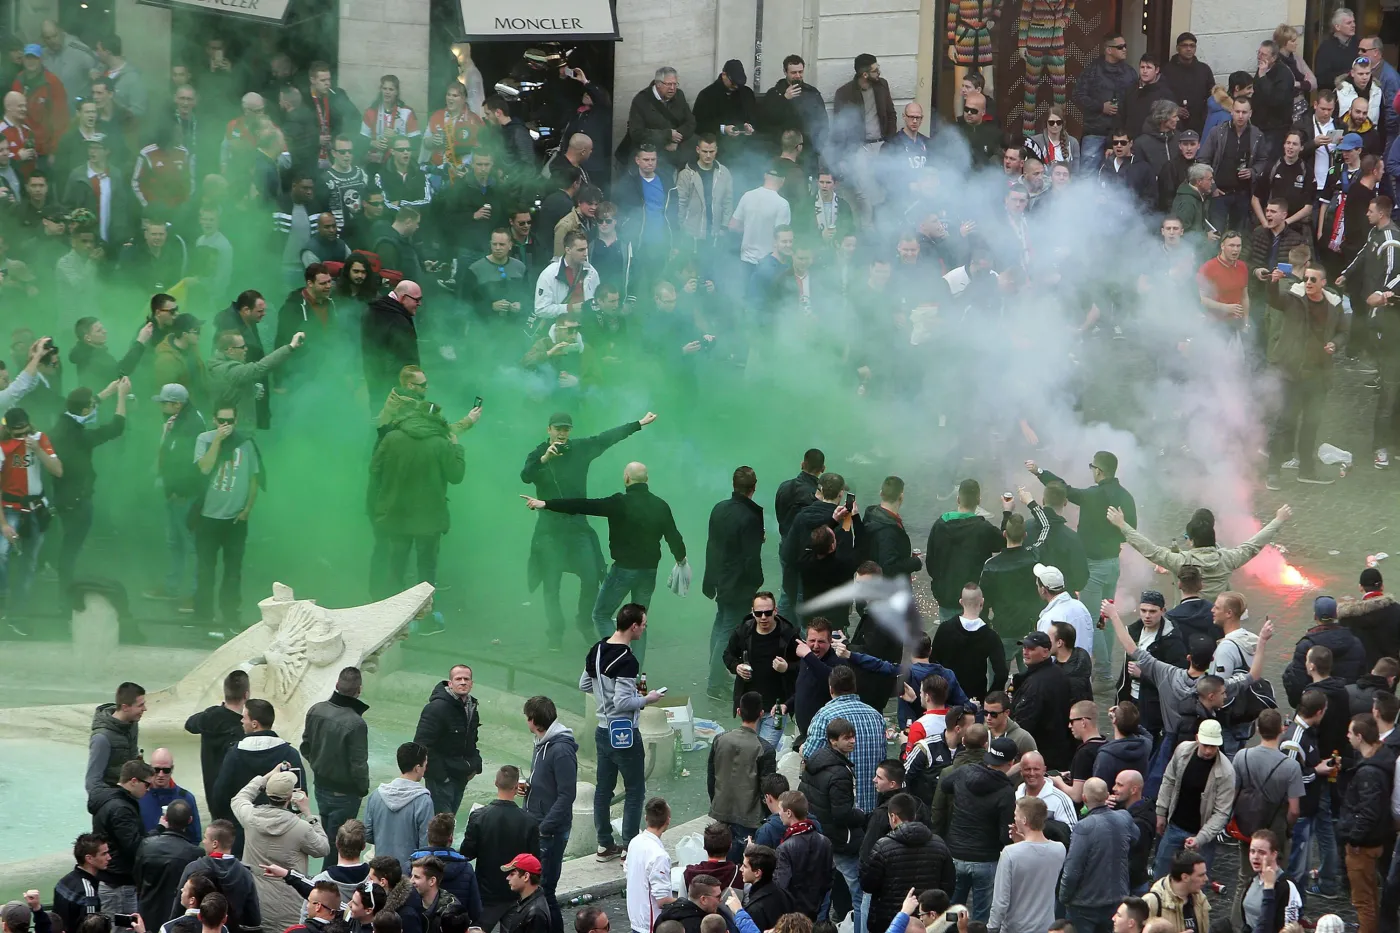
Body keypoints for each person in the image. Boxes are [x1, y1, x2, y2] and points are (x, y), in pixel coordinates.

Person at [520, 411, 657, 648]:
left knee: (591, 576)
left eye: (566, 429)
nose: (562, 433)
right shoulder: (538, 454)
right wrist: (544, 459)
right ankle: (555, 633)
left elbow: (606, 438)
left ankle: (584, 621)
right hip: (550, 530)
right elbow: (525, 476)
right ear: (549, 430)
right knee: (551, 583)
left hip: (577, 526)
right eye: (558, 429)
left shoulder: (580, 449)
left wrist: (638, 424)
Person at [522, 461, 685, 651]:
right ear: (646, 480)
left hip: (623, 570)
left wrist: (546, 504)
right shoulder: (660, 505)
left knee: (601, 615)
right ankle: (635, 674)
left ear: (626, 478)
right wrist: (681, 560)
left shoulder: (618, 503)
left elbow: (583, 505)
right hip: (649, 571)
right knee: (639, 622)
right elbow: (673, 536)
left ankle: (618, 658)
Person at [1028, 454, 1136, 668]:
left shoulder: (1092, 495)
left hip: (1095, 568)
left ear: (1099, 471)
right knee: (1108, 615)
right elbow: (1129, 531)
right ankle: (1106, 668)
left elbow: (1064, 489)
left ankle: (1104, 671)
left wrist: (1040, 472)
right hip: (1113, 564)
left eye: (1092, 467)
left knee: (1093, 620)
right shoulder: (1126, 497)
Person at [579, 604, 664, 861]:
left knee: (603, 789)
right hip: (624, 734)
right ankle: (629, 846)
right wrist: (648, 698)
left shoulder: (598, 648)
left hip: (602, 730)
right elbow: (623, 703)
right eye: (644, 624)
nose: (644, 628)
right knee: (635, 789)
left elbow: (584, 683)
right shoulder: (627, 660)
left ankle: (604, 844)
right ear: (634, 626)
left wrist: (604, 694)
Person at [1228, 712, 1304, 926]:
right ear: (1282, 729)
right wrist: (1287, 828)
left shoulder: (1242, 756)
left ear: (1258, 729)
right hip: (1276, 829)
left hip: (1247, 827)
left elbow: (1232, 794)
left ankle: (1238, 926)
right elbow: (1295, 809)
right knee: (1276, 879)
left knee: (1244, 879)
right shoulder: (1290, 767)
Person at [233, 766, 328, 933]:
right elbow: (323, 849)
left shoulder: (250, 817)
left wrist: (266, 777)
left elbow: (239, 797)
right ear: (291, 797)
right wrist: (308, 813)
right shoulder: (301, 828)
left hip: (256, 902)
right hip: (289, 906)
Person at [933, 735, 1018, 922]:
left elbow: (946, 785)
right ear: (1011, 762)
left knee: (951, 913)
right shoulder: (1006, 792)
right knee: (981, 915)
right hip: (986, 860)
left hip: (955, 853)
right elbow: (1005, 836)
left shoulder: (964, 772)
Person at [702, 466, 765, 696]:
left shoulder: (719, 508)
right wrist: (756, 582)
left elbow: (713, 544)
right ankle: (715, 682)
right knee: (728, 630)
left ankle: (715, 673)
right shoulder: (750, 517)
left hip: (720, 577)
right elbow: (750, 556)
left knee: (721, 624)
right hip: (738, 582)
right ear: (754, 487)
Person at [300, 667, 369, 870]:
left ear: (337, 685)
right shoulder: (356, 723)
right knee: (340, 845)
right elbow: (358, 763)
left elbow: (305, 746)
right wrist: (362, 789)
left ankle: (323, 882)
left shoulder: (316, 709)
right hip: (345, 793)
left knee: (326, 839)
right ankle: (329, 885)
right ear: (359, 689)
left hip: (321, 786)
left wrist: (318, 764)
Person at [519, 695, 575, 933]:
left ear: (533, 720)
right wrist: (530, 787)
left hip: (549, 831)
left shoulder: (560, 750)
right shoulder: (541, 741)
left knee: (547, 892)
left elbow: (566, 795)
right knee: (539, 890)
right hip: (539, 824)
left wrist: (544, 828)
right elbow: (548, 783)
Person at [861, 791, 954, 933]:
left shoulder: (882, 846)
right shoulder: (939, 844)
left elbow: (868, 884)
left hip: (889, 919)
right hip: (927, 919)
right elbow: (948, 885)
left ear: (893, 817)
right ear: (914, 816)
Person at [1153, 721, 1235, 877]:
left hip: (1202, 835)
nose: (1208, 750)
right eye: (1205, 745)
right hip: (1175, 827)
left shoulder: (1226, 772)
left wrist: (1200, 838)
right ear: (1197, 738)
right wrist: (1161, 812)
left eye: (1213, 746)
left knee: (1197, 887)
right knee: (1161, 876)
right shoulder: (1183, 751)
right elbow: (1169, 780)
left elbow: (1222, 813)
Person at [1059, 778, 1138, 933]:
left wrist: (1064, 897)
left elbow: (1072, 869)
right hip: (1116, 899)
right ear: (1107, 795)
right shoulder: (1124, 817)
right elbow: (1135, 838)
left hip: (1085, 905)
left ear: (1084, 798)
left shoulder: (1084, 827)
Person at [1339, 713, 1394, 933]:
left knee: (1363, 901)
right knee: (1370, 894)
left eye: (1350, 732)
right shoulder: (1382, 757)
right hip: (1376, 839)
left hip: (1363, 846)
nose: (1347, 736)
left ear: (1360, 737)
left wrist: (1354, 838)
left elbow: (1368, 812)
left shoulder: (1369, 773)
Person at [723, 592, 798, 748]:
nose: (763, 617)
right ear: (752, 612)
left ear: (775, 611)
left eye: (768, 613)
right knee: (750, 752)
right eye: (758, 613)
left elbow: (804, 665)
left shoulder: (788, 635)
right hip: (750, 709)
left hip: (776, 708)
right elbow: (727, 655)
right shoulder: (743, 632)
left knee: (764, 752)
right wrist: (737, 667)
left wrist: (787, 668)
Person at [708, 690, 777, 859]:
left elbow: (711, 777)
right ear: (761, 714)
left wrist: (716, 801)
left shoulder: (720, 739)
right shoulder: (764, 748)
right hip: (749, 817)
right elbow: (766, 789)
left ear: (739, 711)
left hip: (721, 810)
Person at [925, 478, 1004, 621]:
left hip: (946, 597)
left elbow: (930, 562)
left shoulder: (940, 525)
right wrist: (1007, 513)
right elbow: (1006, 543)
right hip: (974, 599)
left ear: (957, 499)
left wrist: (939, 585)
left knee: (949, 639)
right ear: (979, 501)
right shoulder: (984, 529)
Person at [1115, 593, 1186, 745]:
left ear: (1163, 611)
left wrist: (1144, 675)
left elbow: (1176, 678)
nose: (1147, 616)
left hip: (1154, 706)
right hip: (1131, 699)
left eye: (1152, 611)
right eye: (1143, 610)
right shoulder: (1134, 631)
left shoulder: (1171, 640)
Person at [412, 664, 481, 818]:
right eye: (458, 679)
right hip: (441, 779)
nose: (463, 682)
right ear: (450, 683)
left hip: (461, 775)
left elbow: (472, 741)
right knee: (440, 826)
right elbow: (421, 745)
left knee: (448, 824)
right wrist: (442, 776)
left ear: (471, 683)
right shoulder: (436, 708)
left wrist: (476, 765)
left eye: (466, 679)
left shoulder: (471, 707)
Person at [88, 758, 155, 917]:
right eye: (147, 785)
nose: (149, 790)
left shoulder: (108, 800)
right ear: (133, 781)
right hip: (118, 883)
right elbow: (133, 846)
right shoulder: (121, 808)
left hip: (110, 879)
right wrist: (157, 833)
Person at [1282, 595, 1368, 704]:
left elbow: (1298, 684)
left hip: (1315, 707)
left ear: (1315, 617)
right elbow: (1362, 675)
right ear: (1336, 615)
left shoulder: (1306, 645)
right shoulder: (1355, 642)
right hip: (1348, 703)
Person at [363, 741, 433, 875]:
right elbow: (425, 844)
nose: (425, 769)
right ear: (417, 768)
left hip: (379, 871)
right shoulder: (423, 800)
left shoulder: (376, 795)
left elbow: (367, 834)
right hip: (408, 874)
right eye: (425, 764)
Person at [930, 584, 1008, 700]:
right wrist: (989, 699)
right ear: (982, 602)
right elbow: (1002, 674)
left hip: (947, 696)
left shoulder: (945, 629)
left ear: (961, 602)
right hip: (975, 698)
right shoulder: (990, 636)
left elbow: (933, 662)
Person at [133, 798, 202, 927]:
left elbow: (137, 879)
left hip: (148, 914)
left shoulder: (146, 846)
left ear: (165, 818)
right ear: (190, 820)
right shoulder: (196, 854)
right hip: (178, 918)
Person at [1010, 631, 1073, 769]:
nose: (1025, 652)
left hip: (1041, 751)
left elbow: (1024, 721)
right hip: (1057, 746)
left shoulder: (1036, 684)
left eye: (1031, 649)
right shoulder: (1057, 672)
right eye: (1024, 647)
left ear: (1045, 652)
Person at [185, 671, 248, 807]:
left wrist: (212, 711)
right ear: (246, 695)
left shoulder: (209, 716)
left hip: (212, 797)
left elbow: (189, 724)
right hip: (236, 801)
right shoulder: (241, 729)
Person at [773, 790, 833, 920]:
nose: (779, 814)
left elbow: (781, 886)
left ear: (789, 813)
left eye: (781, 810)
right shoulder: (825, 842)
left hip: (793, 913)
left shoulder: (784, 848)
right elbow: (828, 878)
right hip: (817, 908)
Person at [624, 797, 674, 933]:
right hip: (650, 925)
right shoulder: (659, 855)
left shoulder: (634, 842)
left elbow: (628, 871)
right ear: (668, 820)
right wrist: (684, 903)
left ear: (646, 818)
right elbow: (662, 900)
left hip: (635, 918)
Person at [86, 682, 146, 793]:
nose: (145, 709)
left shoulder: (132, 725)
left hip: (131, 796)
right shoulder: (101, 738)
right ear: (125, 707)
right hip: (113, 802)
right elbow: (92, 783)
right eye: (140, 705)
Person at [137, 748, 201, 842]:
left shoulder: (186, 798)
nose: (161, 774)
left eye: (166, 770)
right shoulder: (138, 796)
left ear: (172, 769)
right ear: (150, 768)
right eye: (156, 770)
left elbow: (195, 837)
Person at [1341, 568, 1400, 667]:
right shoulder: (1397, 610)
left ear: (1360, 587)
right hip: (1391, 671)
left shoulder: (1348, 616)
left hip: (1361, 672)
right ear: (1382, 586)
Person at [1143, 850, 1210, 933]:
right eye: (1201, 875)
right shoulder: (1152, 902)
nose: (1206, 879)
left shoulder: (1200, 899)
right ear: (1185, 877)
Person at [53, 833, 108, 932]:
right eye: (104, 854)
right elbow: (92, 930)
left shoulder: (63, 882)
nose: (109, 857)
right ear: (89, 858)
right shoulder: (88, 893)